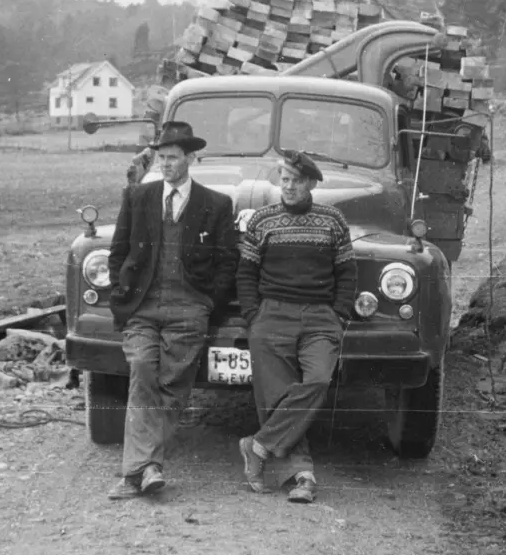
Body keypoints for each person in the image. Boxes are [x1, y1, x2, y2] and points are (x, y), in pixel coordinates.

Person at [106, 121, 237, 498]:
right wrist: (121, 292)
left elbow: (227, 262)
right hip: (142, 306)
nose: (165, 164)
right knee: (142, 369)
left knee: (173, 387)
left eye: (173, 158)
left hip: (189, 308)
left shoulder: (216, 204)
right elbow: (118, 252)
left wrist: (206, 301)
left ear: (191, 158)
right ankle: (142, 469)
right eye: (161, 157)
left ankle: (140, 471)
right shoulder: (138, 197)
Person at [236, 149, 357, 503]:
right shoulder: (262, 220)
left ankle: (256, 447)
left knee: (318, 379)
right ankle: (303, 475)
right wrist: (253, 315)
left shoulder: (333, 220)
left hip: (321, 316)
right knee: (278, 397)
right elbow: (247, 272)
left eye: (296, 181)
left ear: (310, 183)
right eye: (284, 180)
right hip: (272, 316)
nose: (288, 187)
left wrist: (338, 315)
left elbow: (347, 272)